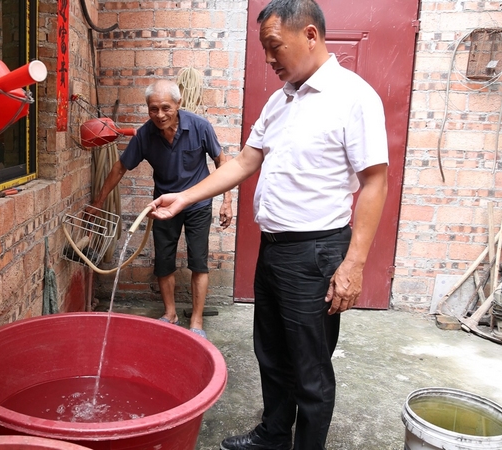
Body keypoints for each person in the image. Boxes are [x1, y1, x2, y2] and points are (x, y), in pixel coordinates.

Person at [147, 0, 389, 448]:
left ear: (311, 35)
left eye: (274, 46)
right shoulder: (281, 102)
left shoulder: (353, 97)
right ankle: (274, 435)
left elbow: (375, 182)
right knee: (272, 353)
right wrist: (183, 197)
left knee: (310, 366)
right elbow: (243, 162)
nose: (269, 59)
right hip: (275, 247)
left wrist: (353, 265)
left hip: (316, 253)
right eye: (264, 48)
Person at [91, 79, 233, 339]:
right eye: (153, 109)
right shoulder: (145, 133)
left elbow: (221, 162)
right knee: (163, 262)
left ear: (178, 104)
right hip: (164, 205)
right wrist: (98, 203)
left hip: (197, 203)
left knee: (198, 263)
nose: (159, 115)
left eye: (165, 108)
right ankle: (170, 313)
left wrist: (227, 201)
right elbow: (120, 167)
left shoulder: (199, 126)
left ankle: (197, 321)